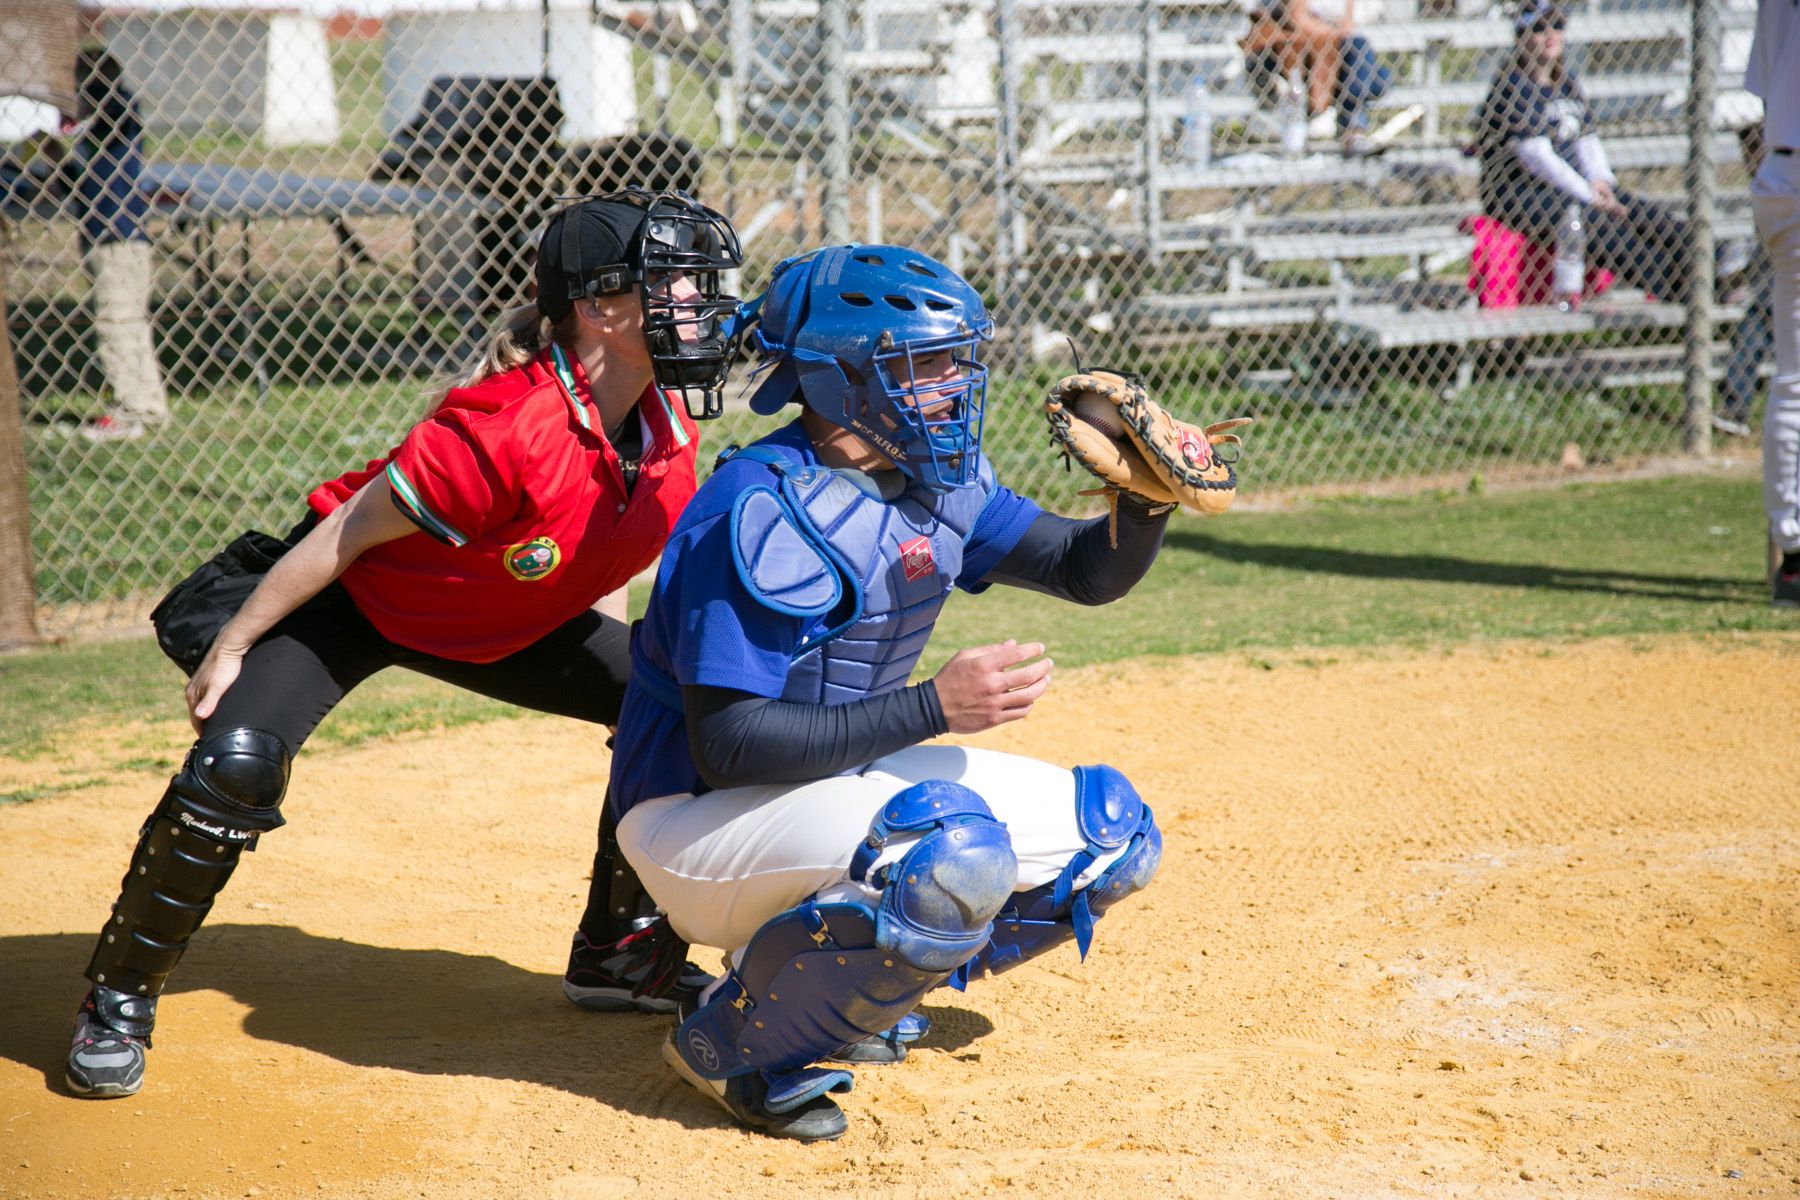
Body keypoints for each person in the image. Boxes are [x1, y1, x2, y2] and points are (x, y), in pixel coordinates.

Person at [64, 188, 743, 1099]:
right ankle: (116, 998)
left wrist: (632, 698)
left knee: (674, 714)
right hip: (359, 606)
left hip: (505, 621)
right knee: (237, 764)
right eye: (678, 284)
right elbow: (346, 531)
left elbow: (598, 554)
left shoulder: (664, 426)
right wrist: (235, 640)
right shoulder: (504, 430)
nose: (701, 303)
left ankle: (619, 958)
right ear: (600, 308)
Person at [606, 244, 1175, 1141]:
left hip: (823, 784)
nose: (956, 382)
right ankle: (731, 1039)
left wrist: (1143, 503)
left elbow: (1082, 570)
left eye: (960, 359)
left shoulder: (936, 480)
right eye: (927, 364)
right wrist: (934, 708)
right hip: (694, 816)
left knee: (1113, 835)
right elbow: (730, 744)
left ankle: (857, 996)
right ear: (843, 378)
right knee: (950, 849)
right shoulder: (758, 509)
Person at [1473, 1, 1707, 305]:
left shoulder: (1566, 84)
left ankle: (1712, 266)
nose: (1550, 34)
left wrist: (1602, 183)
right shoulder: (1512, 87)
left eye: (1557, 26)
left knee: (1641, 212)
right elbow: (1536, 157)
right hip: (1521, 193)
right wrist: (1587, 194)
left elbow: (1587, 140)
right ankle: (1684, 292)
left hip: (1575, 188)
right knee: (1593, 222)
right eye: (1539, 28)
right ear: (1521, 36)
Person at [68, 45, 168, 443]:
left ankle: (133, 408)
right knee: (127, 322)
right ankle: (146, 403)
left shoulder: (117, 111)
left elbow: (113, 111)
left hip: (119, 236)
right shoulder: (95, 125)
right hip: (105, 232)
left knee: (116, 322)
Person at [1745, 0, 1800, 606]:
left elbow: (1765, 95)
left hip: (1783, 173)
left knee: (1794, 379)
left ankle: (1792, 552)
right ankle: (1794, 553)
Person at [1241, 0, 1392, 157]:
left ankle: (1353, 130)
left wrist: (1331, 32)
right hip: (1297, 52)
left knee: (1376, 76)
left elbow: (1348, 27)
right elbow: (1296, 18)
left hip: (1336, 53)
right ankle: (1354, 132)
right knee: (1361, 56)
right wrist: (1331, 32)